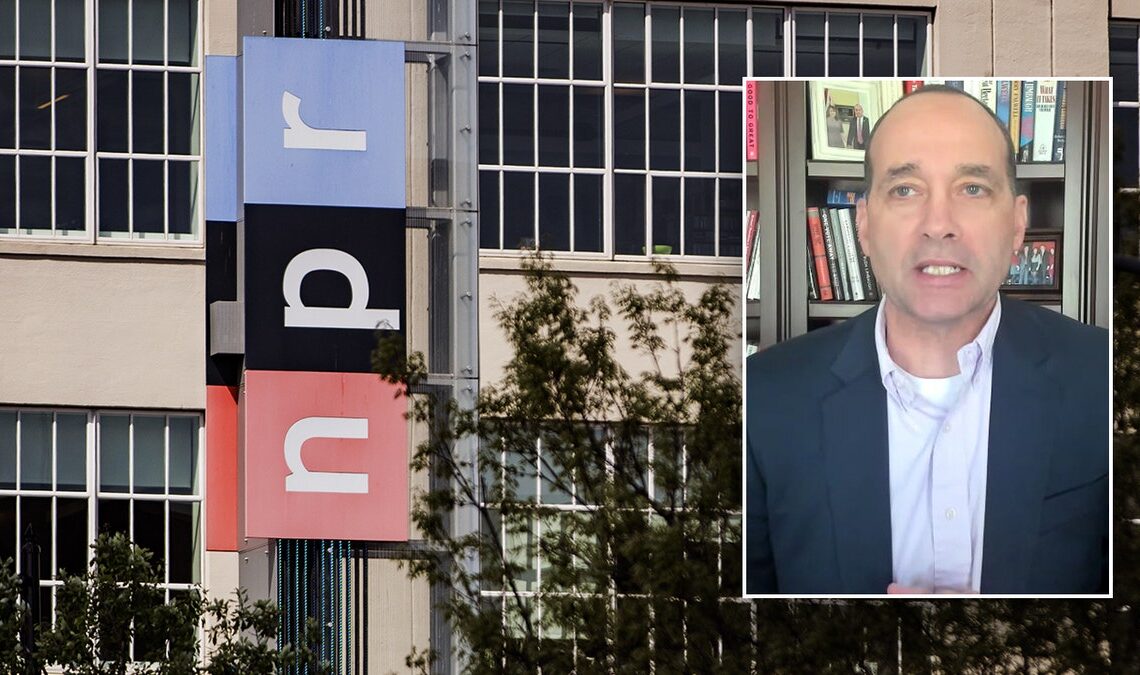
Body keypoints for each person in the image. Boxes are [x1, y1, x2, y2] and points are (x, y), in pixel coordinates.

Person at [746, 85, 1108, 595]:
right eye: (906, 189)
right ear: (865, 226)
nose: (939, 225)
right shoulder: (764, 398)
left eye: (973, 188)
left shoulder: (1102, 376)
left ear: (1018, 224)